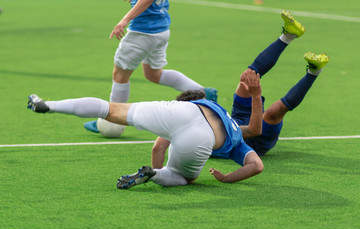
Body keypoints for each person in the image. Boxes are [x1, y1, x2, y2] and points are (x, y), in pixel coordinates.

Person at [27, 68, 263, 189]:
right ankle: (155, 175)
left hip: (181, 111)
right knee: (185, 178)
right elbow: (256, 162)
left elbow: (159, 146)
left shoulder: (213, 107)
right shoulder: (237, 140)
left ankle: (48, 104)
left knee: (110, 109)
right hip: (202, 139)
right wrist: (227, 178)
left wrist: (252, 92)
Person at [151, 11, 330, 170]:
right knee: (275, 112)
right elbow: (254, 130)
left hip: (236, 121)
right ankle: (314, 72)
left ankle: (289, 35)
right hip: (253, 141)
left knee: (246, 79)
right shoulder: (202, 135)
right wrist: (256, 94)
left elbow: (160, 145)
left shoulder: (197, 124)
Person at [83, 0, 217, 135]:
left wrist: (125, 19)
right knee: (153, 74)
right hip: (161, 30)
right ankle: (203, 92)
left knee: (120, 75)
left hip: (142, 32)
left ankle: (112, 119)